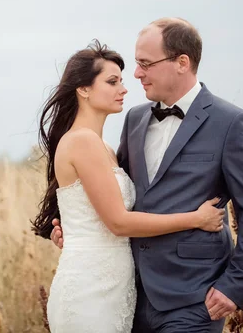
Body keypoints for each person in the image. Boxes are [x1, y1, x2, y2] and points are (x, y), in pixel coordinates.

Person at [49, 18, 243, 332]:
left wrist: (235, 286)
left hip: (195, 298)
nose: (137, 74)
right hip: (130, 295)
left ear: (182, 63)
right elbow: (113, 196)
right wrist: (73, 229)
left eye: (145, 63)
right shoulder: (135, 120)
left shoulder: (230, 123)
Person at [31, 39, 226, 333]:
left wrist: (69, 229)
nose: (123, 89)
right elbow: (119, 223)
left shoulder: (105, 148)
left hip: (116, 289)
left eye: (121, 81)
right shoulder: (82, 142)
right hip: (90, 290)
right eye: (111, 82)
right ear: (83, 89)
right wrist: (196, 219)